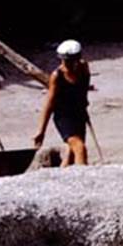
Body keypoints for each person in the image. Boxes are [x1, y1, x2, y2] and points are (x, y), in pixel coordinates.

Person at [33, 39, 91, 167]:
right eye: (64, 61)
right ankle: (84, 180)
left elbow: (83, 89)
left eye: (69, 61)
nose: (65, 64)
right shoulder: (57, 76)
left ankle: (61, 177)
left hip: (79, 115)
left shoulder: (84, 69)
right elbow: (49, 103)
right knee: (80, 148)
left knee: (71, 152)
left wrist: (84, 104)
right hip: (64, 118)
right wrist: (41, 131)